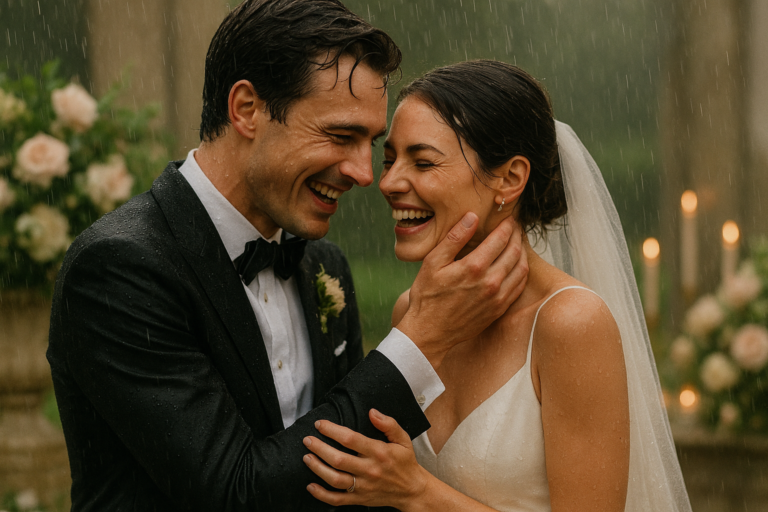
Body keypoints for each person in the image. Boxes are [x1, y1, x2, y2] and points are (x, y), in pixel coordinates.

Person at [46, 4, 530, 511]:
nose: (365, 173)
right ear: (247, 109)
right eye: (341, 136)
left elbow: (351, 478)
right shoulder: (120, 269)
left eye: (371, 142)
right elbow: (234, 495)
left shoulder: (325, 266)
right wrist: (423, 338)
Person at [301, 61, 693, 512]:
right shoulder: (410, 310)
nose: (388, 182)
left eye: (423, 162)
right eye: (389, 160)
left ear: (509, 179)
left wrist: (418, 493)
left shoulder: (571, 324)